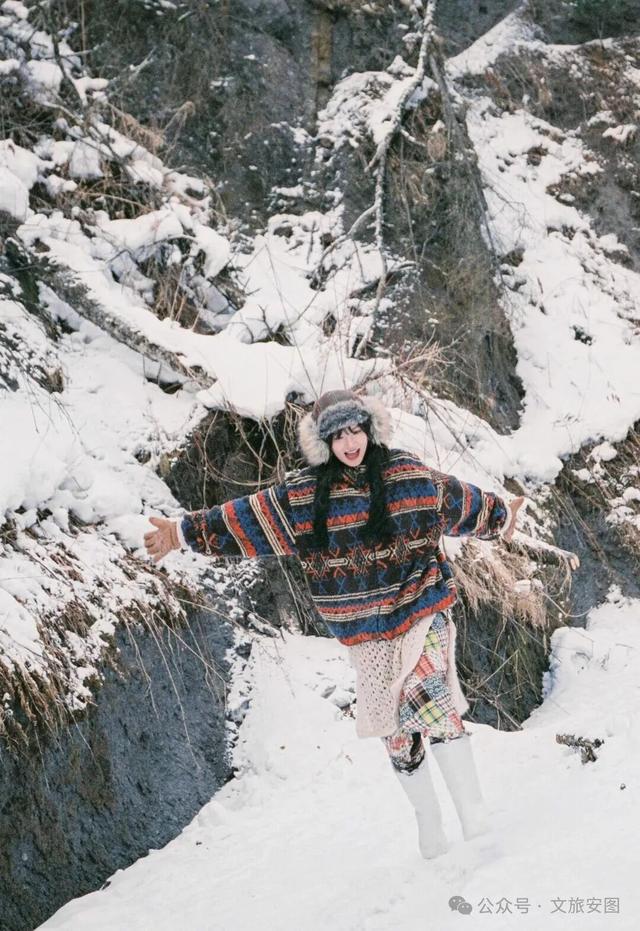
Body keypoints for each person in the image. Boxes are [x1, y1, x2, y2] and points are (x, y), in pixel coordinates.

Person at [144, 389, 524, 859]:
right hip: (366, 634)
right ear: (324, 442)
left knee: (430, 700)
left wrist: (501, 516)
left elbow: (460, 502)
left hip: (420, 608)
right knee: (398, 733)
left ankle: (475, 819)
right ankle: (429, 820)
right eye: (337, 435)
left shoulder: (406, 474)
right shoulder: (304, 498)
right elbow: (247, 520)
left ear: (369, 429)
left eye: (355, 430)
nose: (349, 443)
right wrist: (182, 532)